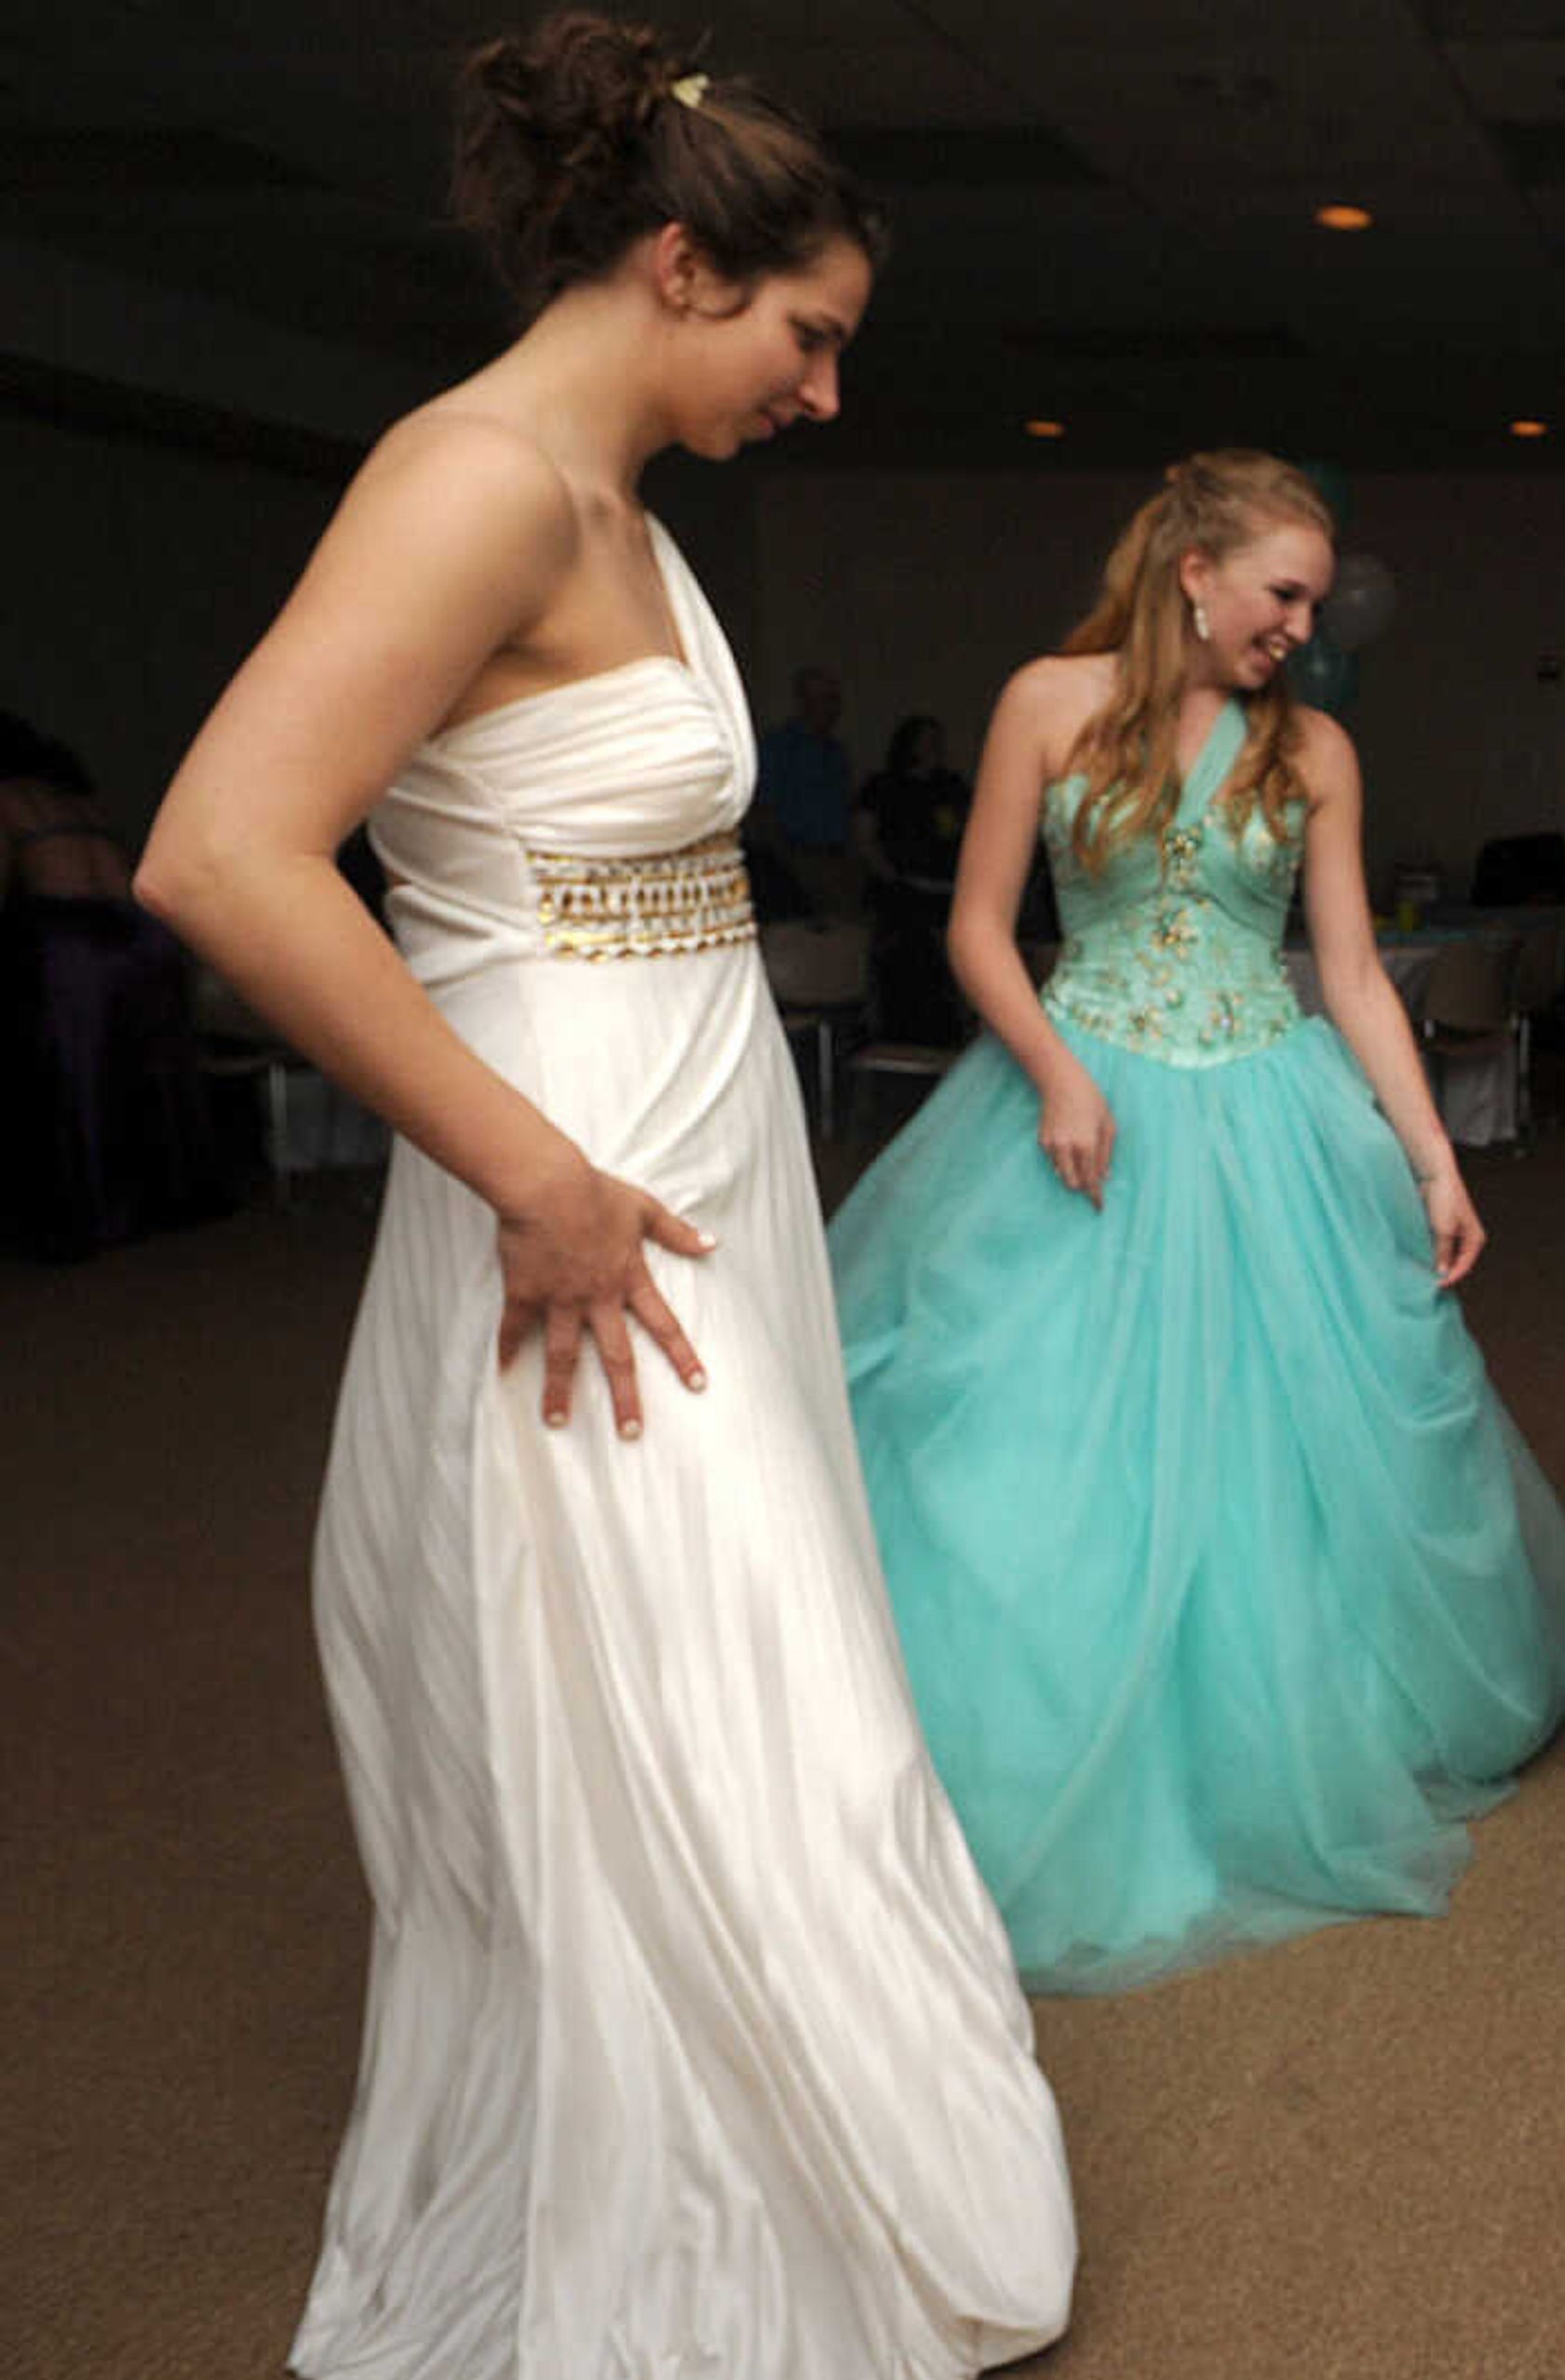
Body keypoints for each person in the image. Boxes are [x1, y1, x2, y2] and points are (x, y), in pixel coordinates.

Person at [131, 18, 1071, 2373]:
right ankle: (692, 2239)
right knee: (677, 1686)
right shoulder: (473, 479)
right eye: (810, 336)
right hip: (571, 1174)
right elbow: (222, 857)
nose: (825, 392)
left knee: (744, 1678)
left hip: (686, 1139)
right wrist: (533, 1176)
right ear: (678, 261)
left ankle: (754, 2177)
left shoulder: (616, 503)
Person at [825, 450, 1565, 1992]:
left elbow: (1356, 972)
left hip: (1267, 1101)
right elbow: (979, 928)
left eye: (1316, 601)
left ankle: (1269, 1747)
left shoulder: (1312, 744)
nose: (1304, 627)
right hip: (1080, 1096)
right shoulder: (1045, 703)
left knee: (1280, 1438)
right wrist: (1055, 1071)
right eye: (1284, 593)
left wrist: (1435, 1159)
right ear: (1196, 570)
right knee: (1043, 1432)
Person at [0, 711, 229, 1257]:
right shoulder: (82, 803)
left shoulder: (8, 796)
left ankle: (97, 1214)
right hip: (143, 934)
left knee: (78, 1076)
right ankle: (174, 1197)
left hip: (77, 937)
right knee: (154, 1070)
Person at [855, 710, 970, 1043]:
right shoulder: (883, 786)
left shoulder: (952, 786)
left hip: (947, 892)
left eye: (938, 741)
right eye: (927, 740)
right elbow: (865, 837)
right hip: (900, 894)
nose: (935, 747)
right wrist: (892, 877)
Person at [752, 659, 855, 915]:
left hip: (836, 859)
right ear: (803, 701)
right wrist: (788, 862)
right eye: (822, 699)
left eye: (833, 699)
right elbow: (764, 811)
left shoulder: (835, 753)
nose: (830, 708)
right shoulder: (779, 748)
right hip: (794, 859)